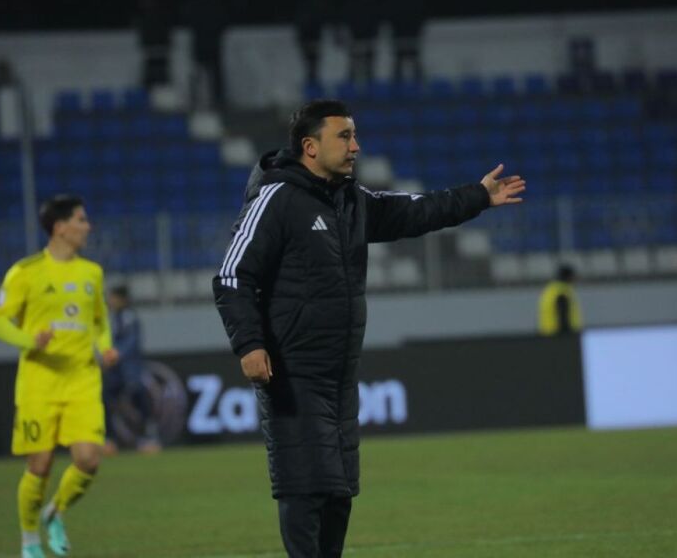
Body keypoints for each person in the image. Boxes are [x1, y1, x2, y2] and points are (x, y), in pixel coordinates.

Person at [213, 99, 525, 557]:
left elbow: (416, 211)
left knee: (338, 492)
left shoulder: (350, 201)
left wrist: (477, 196)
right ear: (310, 147)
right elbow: (231, 276)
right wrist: (249, 344)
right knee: (305, 487)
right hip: (292, 373)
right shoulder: (276, 199)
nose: (355, 146)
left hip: (339, 375)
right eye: (344, 136)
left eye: (355, 136)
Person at [0, 194, 118, 558]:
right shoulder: (25, 272)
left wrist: (105, 346)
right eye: (81, 220)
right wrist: (31, 341)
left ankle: (54, 511)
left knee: (89, 459)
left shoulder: (92, 273)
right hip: (39, 382)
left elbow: (99, 320)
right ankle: (29, 541)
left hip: (82, 379)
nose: (88, 226)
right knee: (40, 465)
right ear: (60, 227)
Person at [102, 285, 160, 455]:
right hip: (113, 369)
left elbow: (132, 342)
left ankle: (148, 437)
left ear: (122, 299)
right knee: (105, 400)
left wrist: (117, 354)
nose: (110, 301)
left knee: (138, 397)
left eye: (113, 297)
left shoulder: (130, 318)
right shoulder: (109, 318)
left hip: (129, 368)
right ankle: (109, 439)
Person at [183, 0, 227, 110]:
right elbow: (189, 21)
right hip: (204, 44)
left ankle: (216, 99)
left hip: (209, 44)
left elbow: (222, 22)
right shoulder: (197, 4)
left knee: (213, 74)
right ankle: (198, 98)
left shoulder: (214, 4)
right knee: (200, 73)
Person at [386, 0, 426, 83]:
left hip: (413, 35)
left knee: (415, 61)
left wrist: (416, 31)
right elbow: (390, 16)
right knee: (398, 62)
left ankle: (419, 84)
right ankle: (397, 86)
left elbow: (420, 16)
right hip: (398, 36)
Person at [341, 0, 382, 86]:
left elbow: (376, 22)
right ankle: (350, 86)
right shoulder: (354, 5)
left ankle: (370, 86)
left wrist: (374, 35)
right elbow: (349, 20)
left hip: (369, 39)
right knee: (353, 66)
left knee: (369, 66)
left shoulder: (373, 6)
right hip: (356, 39)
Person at [537, 264, 582, 336]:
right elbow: (563, 317)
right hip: (559, 335)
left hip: (548, 333)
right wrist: (567, 335)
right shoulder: (562, 292)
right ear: (569, 277)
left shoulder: (550, 290)